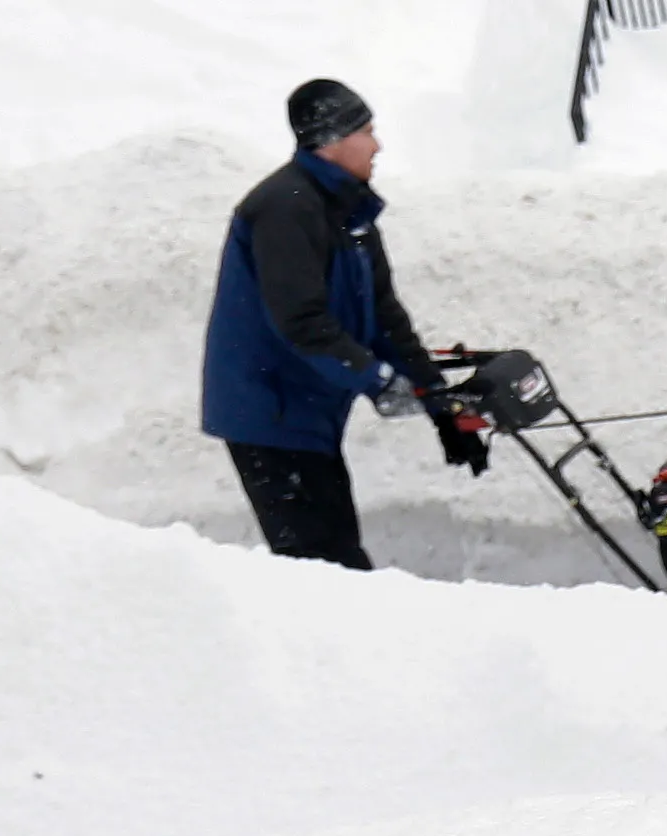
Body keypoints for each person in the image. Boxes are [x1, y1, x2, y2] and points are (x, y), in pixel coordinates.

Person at [200, 77, 485, 568]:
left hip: (307, 411)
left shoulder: (346, 208)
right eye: (367, 131)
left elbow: (385, 317)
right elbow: (301, 322)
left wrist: (440, 405)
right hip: (270, 413)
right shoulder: (284, 207)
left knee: (331, 563)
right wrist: (378, 381)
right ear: (331, 140)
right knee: (328, 566)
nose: (378, 145)